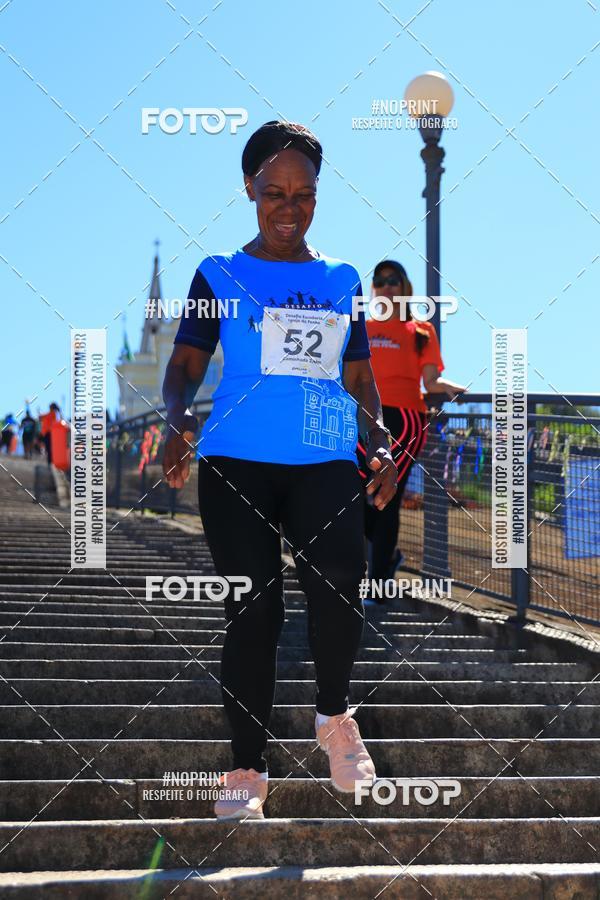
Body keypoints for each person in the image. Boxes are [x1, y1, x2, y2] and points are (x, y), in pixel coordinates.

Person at [162, 120, 397, 821]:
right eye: (274, 192)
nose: (289, 207)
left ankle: (333, 717)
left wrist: (378, 443)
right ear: (249, 191)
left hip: (325, 453)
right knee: (255, 609)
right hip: (237, 460)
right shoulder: (218, 275)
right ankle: (246, 766)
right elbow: (182, 368)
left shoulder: (341, 278)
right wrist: (176, 420)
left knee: (339, 584)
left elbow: (359, 379)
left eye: (304, 193)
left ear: (318, 196)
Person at [357, 260, 466, 604]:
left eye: (394, 280)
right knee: (354, 495)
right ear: (373, 289)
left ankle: (378, 588)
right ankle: (388, 559)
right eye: (381, 281)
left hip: (404, 420)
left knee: (386, 498)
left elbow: (430, 380)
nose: (387, 286)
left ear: (404, 288)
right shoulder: (361, 326)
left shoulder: (421, 331)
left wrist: (446, 386)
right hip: (362, 417)